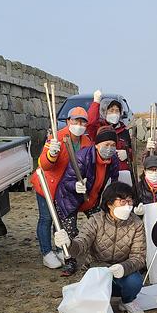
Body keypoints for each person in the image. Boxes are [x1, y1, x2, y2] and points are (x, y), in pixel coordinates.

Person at [54, 182, 147, 313]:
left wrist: (123, 267)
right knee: (93, 306)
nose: (127, 206)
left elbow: (139, 257)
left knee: (135, 281)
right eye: (122, 201)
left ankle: (127, 300)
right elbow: (81, 245)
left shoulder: (136, 224)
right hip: (97, 270)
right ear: (109, 204)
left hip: (122, 273)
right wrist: (68, 244)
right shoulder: (96, 221)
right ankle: (101, 300)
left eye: (129, 201)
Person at [31, 107, 92, 269]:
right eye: (75, 121)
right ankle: (46, 252)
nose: (79, 125)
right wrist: (51, 153)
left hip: (67, 189)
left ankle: (60, 248)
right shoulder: (55, 137)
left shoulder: (87, 142)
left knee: (61, 219)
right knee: (46, 218)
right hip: (48, 185)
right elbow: (44, 164)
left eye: (82, 122)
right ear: (68, 121)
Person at [55, 126, 120, 276]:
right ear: (97, 145)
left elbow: (114, 180)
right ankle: (69, 261)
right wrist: (75, 185)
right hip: (69, 199)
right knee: (70, 232)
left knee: (101, 225)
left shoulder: (113, 159)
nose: (109, 149)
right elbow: (67, 181)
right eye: (106, 145)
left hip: (91, 199)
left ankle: (96, 257)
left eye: (113, 145)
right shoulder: (82, 157)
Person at [87, 90, 134, 185]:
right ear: (105, 112)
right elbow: (90, 122)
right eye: (111, 110)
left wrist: (127, 153)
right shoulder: (99, 129)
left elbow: (132, 151)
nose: (114, 113)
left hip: (121, 173)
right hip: (101, 171)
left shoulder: (124, 131)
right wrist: (96, 102)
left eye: (117, 111)